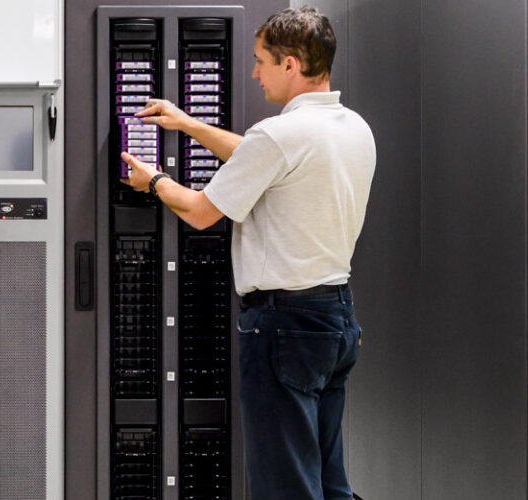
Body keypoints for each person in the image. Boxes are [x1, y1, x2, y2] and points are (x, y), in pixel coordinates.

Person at [120, 6, 375, 500]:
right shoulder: (352, 128)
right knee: (328, 481)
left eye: (261, 61)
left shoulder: (279, 135)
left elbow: (200, 212)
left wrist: (153, 180)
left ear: (290, 64)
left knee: (285, 486)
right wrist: (188, 124)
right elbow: (263, 159)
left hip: (284, 326)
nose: (255, 73)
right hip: (336, 319)